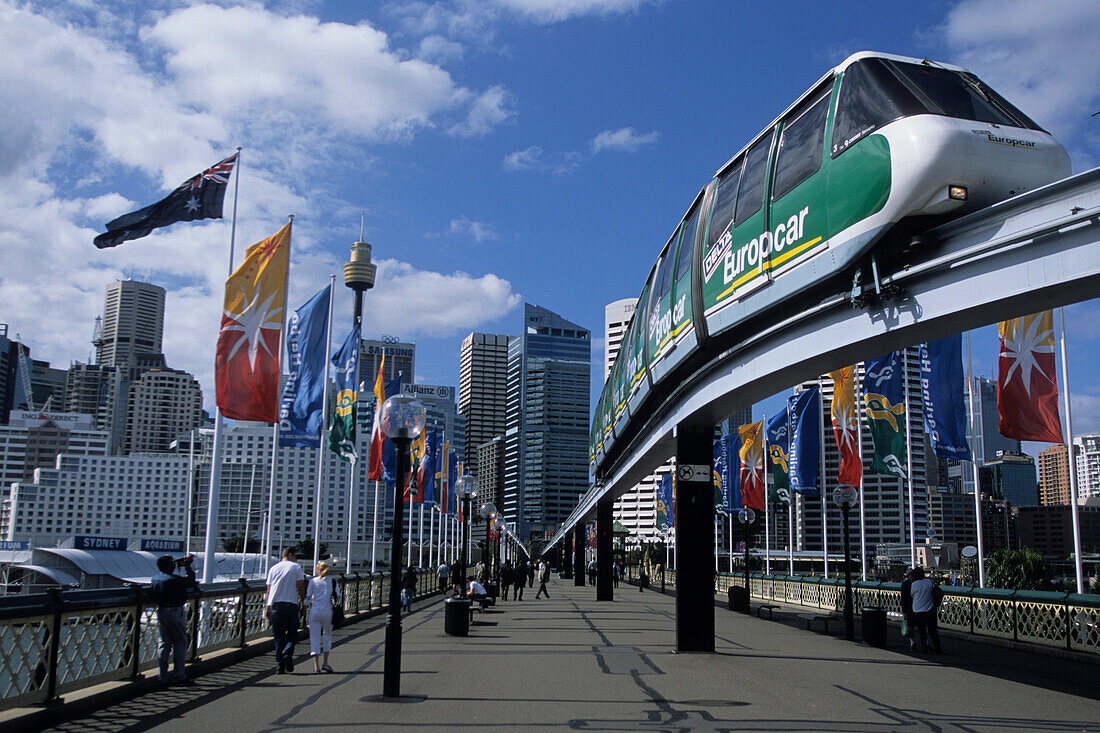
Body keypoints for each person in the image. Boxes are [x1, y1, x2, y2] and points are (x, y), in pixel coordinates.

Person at [149, 553, 197, 685]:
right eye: (172, 564)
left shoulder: (155, 579)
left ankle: (162, 676)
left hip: (162, 611)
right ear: (169, 566)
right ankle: (179, 675)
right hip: (176, 611)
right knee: (180, 642)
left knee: (164, 643)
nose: (174, 566)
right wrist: (188, 566)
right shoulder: (175, 580)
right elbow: (191, 581)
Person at [266, 547, 306, 674]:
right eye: (295, 556)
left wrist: (267, 607)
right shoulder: (296, 567)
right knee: (293, 634)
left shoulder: (273, 568)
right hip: (291, 604)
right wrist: (303, 604)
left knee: (278, 637)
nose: (296, 558)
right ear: (290, 555)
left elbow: (269, 589)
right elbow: (300, 587)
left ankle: (280, 665)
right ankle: (288, 652)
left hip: (276, 605)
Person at [305, 561, 336, 674]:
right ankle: (325, 663)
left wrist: (304, 605)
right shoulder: (332, 581)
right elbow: (338, 596)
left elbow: (308, 598)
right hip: (327, 611)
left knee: (314, 637)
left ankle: (316, 667)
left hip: (315, 611)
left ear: (317, 570)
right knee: (327, 636)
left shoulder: (312, 581)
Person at [909, 567, 944, 654]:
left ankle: (924, 648)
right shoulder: (928, 582)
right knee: (933, 631)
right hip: (929, 609)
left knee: (922, 631)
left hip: (918, 609)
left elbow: (912, 595)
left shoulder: (914, 584)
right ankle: (938, 649)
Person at [900, 569, 916, 650]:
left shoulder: (908, 584)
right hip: (910, 608)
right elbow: (903, 598)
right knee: (910, 626)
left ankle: (921, 642)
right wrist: (904, 611)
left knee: (918, 626)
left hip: (915, 607)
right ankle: (912, 642)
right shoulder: (905, 584)